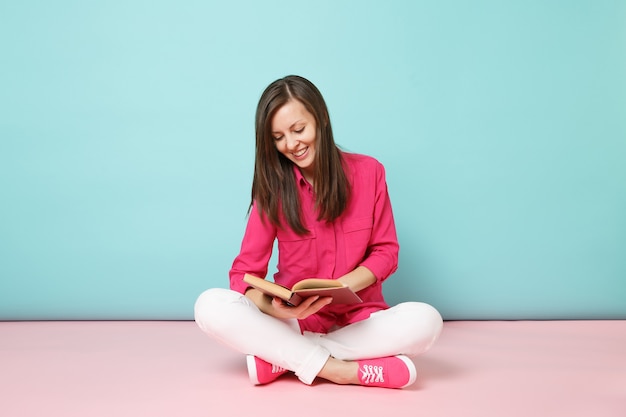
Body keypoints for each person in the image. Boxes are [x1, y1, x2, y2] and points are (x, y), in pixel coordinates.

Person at [194, 75, 443, 389]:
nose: (292, 144)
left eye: (299, 130)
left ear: (321, 118)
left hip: (360, 320)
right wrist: (276, 307)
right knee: (209, 305)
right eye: (278, 137)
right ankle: (341, 370)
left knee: (427, 321)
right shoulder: (271, 191)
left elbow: (386, 252)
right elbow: (243, 273)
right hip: (294, 322)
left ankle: (284, 359)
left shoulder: (370, 172)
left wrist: (342, 285)